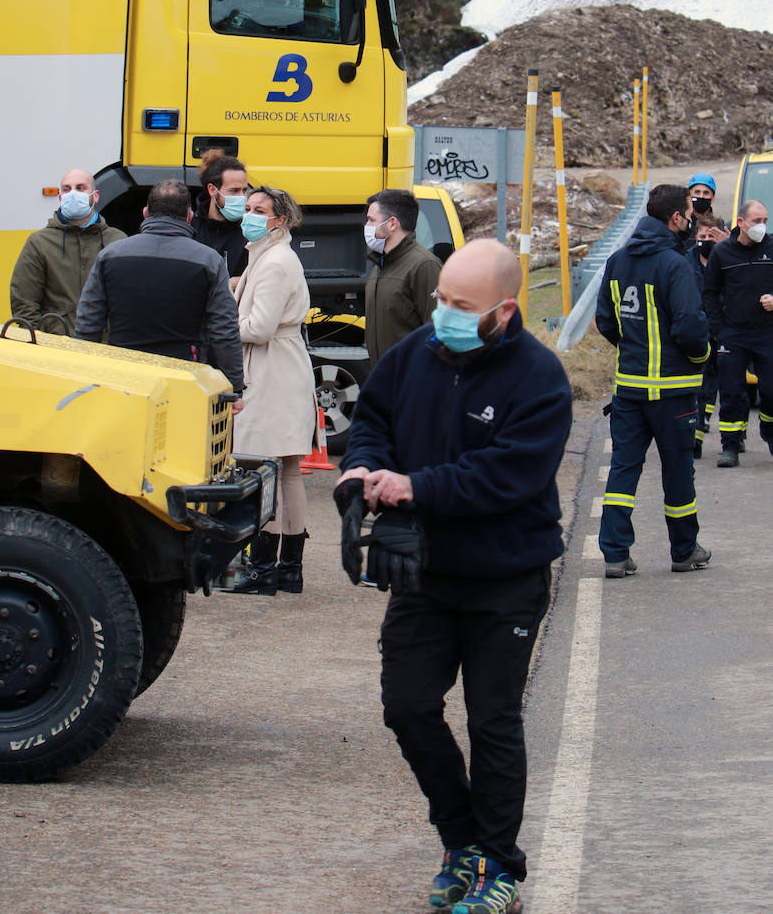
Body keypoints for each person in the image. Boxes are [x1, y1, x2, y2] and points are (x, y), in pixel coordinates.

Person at [334, 239, 572, 914]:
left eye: (461, 306)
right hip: (426, 573)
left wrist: (412, 487)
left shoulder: (541, 379)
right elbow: (371, 422)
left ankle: (499, 867)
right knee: (406, 706)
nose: (444, 314)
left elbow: (506, 477)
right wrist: (362, 472)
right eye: (440, 300)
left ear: (504, 309)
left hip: (506, 577)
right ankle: (460, 840)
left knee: (492, 721)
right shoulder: (413, 356)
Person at [596, 183, 711, 576]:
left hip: (629, 388)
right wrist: (701, 357)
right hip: (673, 391)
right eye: (689, 213)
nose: (692, 219)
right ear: (675, 218)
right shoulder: (674, 263)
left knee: (623, 470)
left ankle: (614, 554)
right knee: (678, 470)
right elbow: (691, 326)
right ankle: (683, 551)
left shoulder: (617, 261)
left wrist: (633, 348)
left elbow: (605, 321)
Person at [74, 179, 244, 397]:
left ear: (145, 213)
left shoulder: (110, 256)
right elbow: (225, 331)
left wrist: (83, 376)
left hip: (124, 379)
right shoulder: (209, 261)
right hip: (186, 379)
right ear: (189, 217)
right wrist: (234, 386)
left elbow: (88, 324)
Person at [229, 186, 317, 595]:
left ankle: (263, 568)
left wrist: (222, 323)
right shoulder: (272, 256)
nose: (249, 214)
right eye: (247, 207)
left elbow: (259, 328)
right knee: (287, 471)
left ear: (279, 219)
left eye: (259, 209)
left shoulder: (274, 262)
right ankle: (288, 569)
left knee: (264, 470)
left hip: (271, 371)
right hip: (283, 365)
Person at [10, 167, 125, 335]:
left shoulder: (117, 242)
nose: (73, 194)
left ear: (95, 196)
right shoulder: (39, 242)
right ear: (60, 197)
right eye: (66, 189)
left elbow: (127, 301)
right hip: (57, 350)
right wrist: (43, 341)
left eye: (80, 188)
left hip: (105, 350)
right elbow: (24, 303)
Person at [701, 198, 773, 468]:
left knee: (771, 390)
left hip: (768, 332)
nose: (762, 226)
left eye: (765, 221)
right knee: (731, 392)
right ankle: (730, 446)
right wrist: (720, 330)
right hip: (734, 335)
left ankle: (769, 431)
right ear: (741, 223)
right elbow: (709, 293)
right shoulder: (722, 253)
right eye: (757, 221)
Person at [364, 189, 441, 365]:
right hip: (385, 379)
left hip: (411, 382)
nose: (366, 226)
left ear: (392, 224)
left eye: (371, 220)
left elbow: (437, 332)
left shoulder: (424, 265)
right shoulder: (381, 264)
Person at [686, 215, 727, 460]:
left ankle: (735, 436)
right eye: (702, 237)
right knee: (698, 388)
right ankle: (696, 440)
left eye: (710, 237)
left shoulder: (727, 258)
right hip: (696, 332)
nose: (705, 242)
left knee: (725, 386)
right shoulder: (684, 262)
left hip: (722, 329)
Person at [192, 149, 250, 279]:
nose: (242, 197)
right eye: (234, 191)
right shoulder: (191, 228)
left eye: (244, 190)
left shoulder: (250, 231)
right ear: (212, 190)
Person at [685, 173, 727, 244]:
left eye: (706, 193)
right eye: (697, 192)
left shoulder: (719, 226)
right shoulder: (682, 223)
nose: (701, 196)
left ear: (712, 198)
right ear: (690, 195)